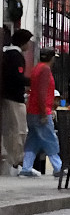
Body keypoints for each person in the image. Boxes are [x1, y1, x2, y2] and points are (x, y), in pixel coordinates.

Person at [18, 48, 63, 178]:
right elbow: (42, 93)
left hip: (32, 110)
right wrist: (44, 113)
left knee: (33, 140)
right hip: (41, 111)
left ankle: (26, 167)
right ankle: (58, 167)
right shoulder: (45, 70)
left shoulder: (37, 68)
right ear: (51, 58)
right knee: (50, 139)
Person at [1, 28, 33, 173]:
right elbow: (16, 77)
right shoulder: (15, 56)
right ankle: (16, 161)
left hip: (8, 96)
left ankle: (14, 160)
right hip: (14, 98)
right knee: (18, 131)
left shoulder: (7, 54)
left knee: (11, 130)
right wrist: (31, 81)